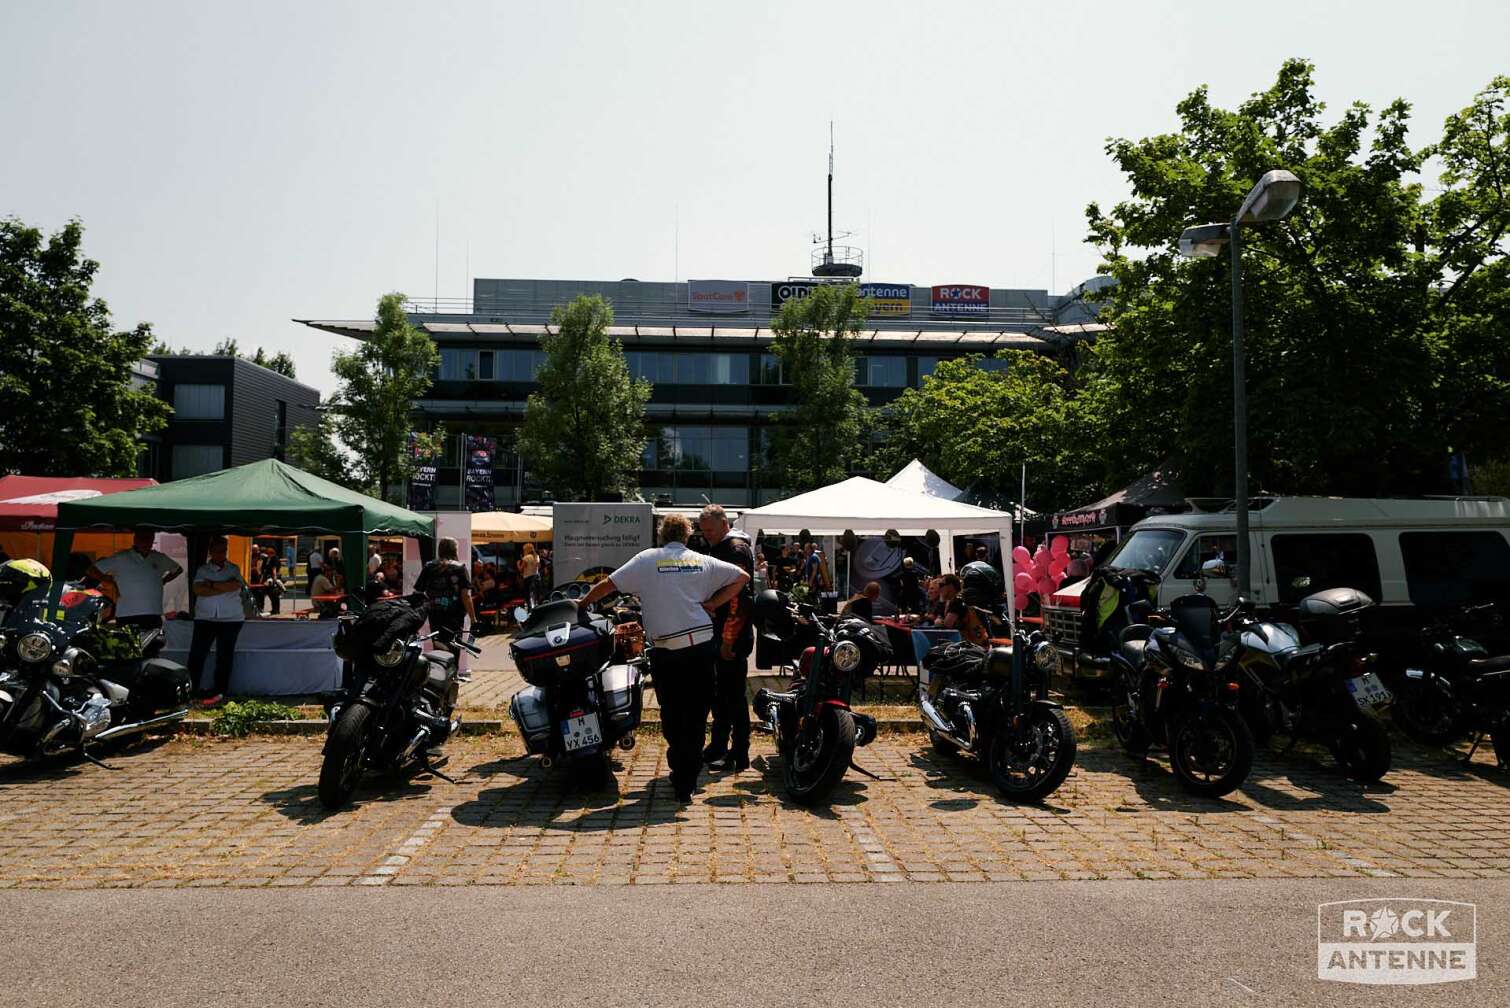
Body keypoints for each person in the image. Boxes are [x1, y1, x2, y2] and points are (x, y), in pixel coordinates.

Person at [578, 514, 748, 803]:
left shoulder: (647, 559)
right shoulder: (701, 560)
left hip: (665, 651)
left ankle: (681, 770)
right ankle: (686, 778)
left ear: (661, 535)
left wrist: (582, 604)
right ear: (687, 535)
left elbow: (608, 584)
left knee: (672, 713)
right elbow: (742, 577)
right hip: (700, 648)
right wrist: (714, 603)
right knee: (696, 714)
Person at [696, 504, 755, 774]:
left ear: (724, 524)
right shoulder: (722, 547)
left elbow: (739, 601)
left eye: (709, 530)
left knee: (733, 697)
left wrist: (728, 639)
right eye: (703, 530)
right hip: (721, 632)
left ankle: (740, 751)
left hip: (732, 635)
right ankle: (719, 745)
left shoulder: (735, 550)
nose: (706, 535)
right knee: (720, 696)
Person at [88, 529, 183, 632]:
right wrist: (111, 580)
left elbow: (178, 570)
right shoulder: (121, 557)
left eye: (149, 539)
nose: (146, 542)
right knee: (129, 642)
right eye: (143, 539)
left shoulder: (159, 557)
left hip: (153, 613)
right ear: (135, 540)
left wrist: (163, 581)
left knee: (152, 642)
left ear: (152, 540)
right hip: (127, 614)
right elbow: (92, 570)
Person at [188, 536, 245, 706]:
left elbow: (235, 586)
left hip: (231, 619)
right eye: (218, 550)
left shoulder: (233, 568)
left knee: (224, 657)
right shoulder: (203, 570)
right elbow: (198, 590)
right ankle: (191, 689)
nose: (221, 553)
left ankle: (220, 691)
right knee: (197, 655)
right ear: (211, 551)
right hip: (205, 618)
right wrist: (223, 586)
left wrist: (211, 585)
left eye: (224, 550)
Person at [414, 536, 476, 681]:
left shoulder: (429, 566)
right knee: (454, 645)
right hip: (455, 614)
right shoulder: (460, 568)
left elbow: (418, 591)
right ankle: (452, 677)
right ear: (454, 550)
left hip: (434, 612)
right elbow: (466, 596)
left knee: (438, 644)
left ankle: (439, 677)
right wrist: (473, 618)